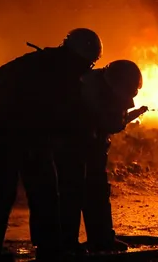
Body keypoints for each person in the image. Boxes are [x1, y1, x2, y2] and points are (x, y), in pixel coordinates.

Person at [0, 28, 103, 262]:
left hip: (9, 122)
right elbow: (48, 111)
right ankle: (0, 252)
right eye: (87, 63)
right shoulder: (54, 71)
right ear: (80, 57)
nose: (87, 68)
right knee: (21, 187)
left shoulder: (53, 64)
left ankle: (9, 249)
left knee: (31, 187)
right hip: (7, 125)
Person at [55, 59, 148, 254]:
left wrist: (128, 117)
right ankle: (67, 244)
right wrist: (123, 120)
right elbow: (103, 122)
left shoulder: (109, 85)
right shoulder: (87, 89)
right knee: (72, 192)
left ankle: (102, 239)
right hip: (73, 144)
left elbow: (111, 121)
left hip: (93, 145)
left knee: (97, 191)